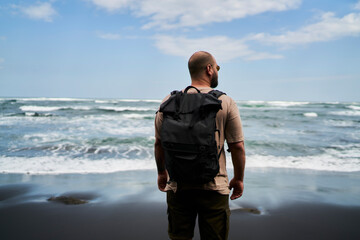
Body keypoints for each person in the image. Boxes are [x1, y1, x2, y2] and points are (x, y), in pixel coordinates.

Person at [154, 51, 245, 240]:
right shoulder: (225, 101)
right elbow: (237, 147)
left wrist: (162, 173)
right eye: (217, 67)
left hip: (178, 186)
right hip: (215, 187)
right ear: (209, 69)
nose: (218, 71)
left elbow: (159, 143)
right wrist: (238, 179)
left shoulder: (168, 101)